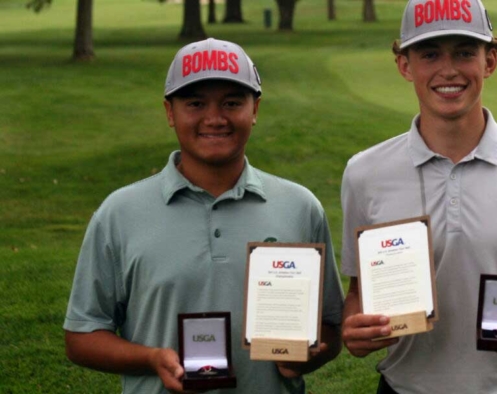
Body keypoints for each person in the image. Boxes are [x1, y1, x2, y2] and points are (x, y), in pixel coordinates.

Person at [340, 1, 497, 393]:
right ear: (405, 66)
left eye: (464, 52)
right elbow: (359, 293)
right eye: (430, 54)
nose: (448, 70)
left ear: (490, 61)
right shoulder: (364, 172)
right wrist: (356, 329)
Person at [63, 38, 344, 394]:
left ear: (255, 109)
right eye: (195, 103)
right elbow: (81, 336)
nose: (214, 118)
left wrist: (312, 353)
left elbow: (331, 328)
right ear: (169, 112)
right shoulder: (119, 213)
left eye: (231, 102)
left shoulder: (300, 207)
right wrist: (151, 358)